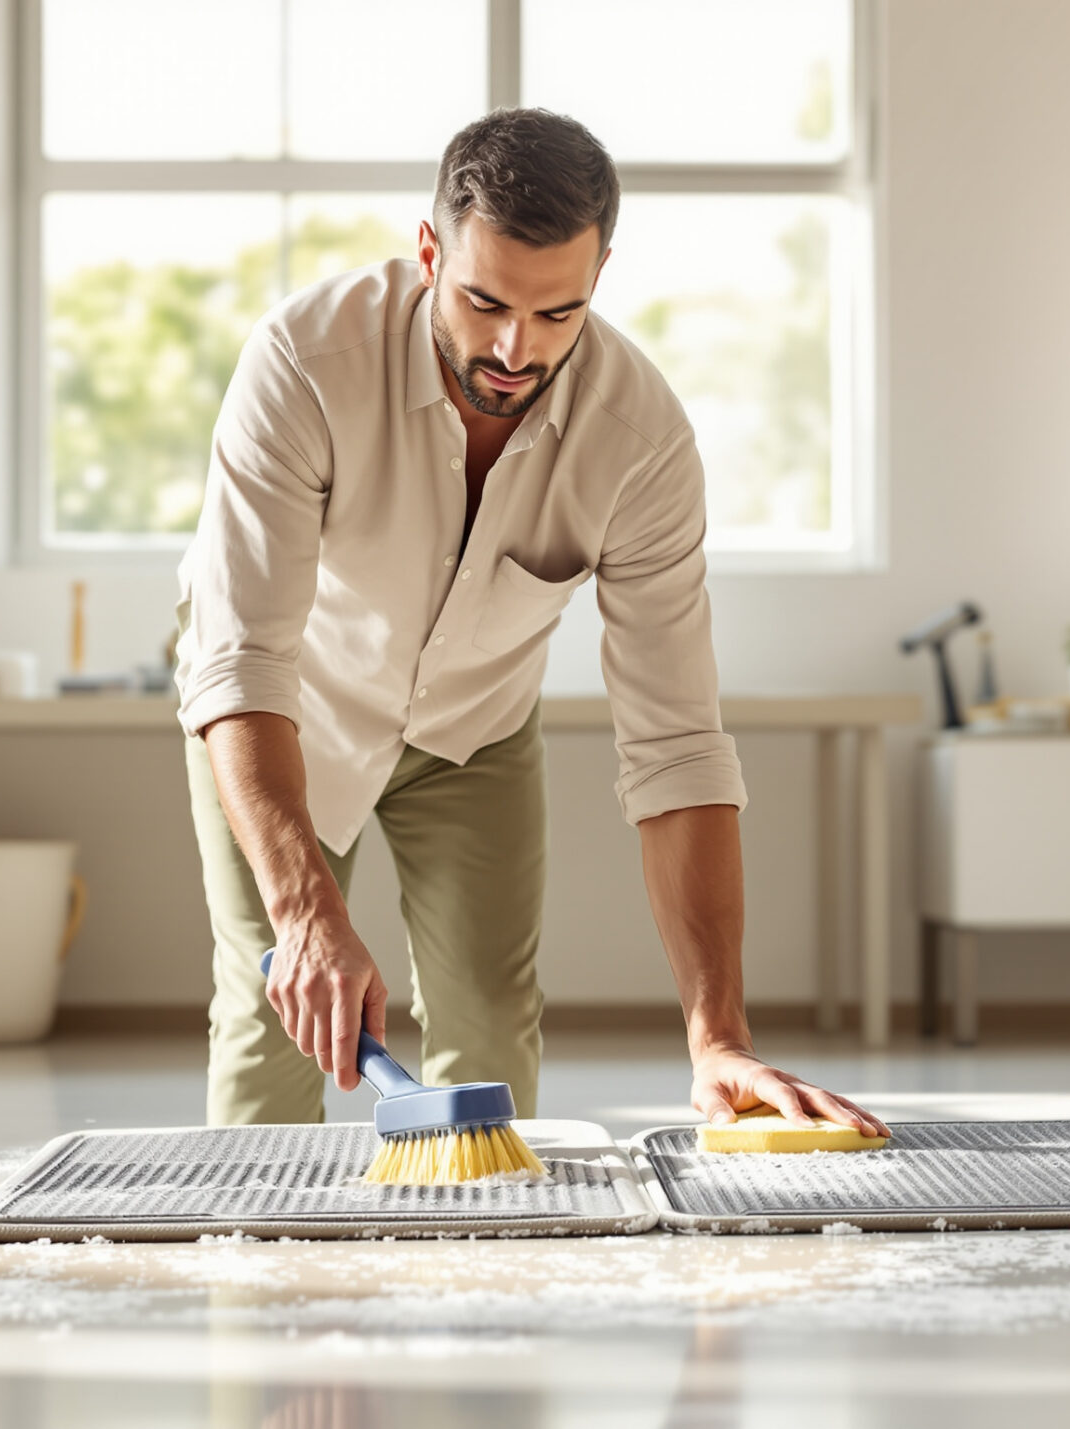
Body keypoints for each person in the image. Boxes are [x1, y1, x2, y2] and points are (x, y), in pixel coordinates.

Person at [173, 107, 883, 1139]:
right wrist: (306, 912)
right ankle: (258, 1274)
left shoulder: (637, 439)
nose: (515, 349)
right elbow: (239, 659)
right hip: (285, 717)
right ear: (429, 253)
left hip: (473, 732)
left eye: (559, 314)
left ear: (598, 277)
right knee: (279, 1009)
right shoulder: (303, 362)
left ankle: (479, 1272)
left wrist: (716, 1033)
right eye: (483, 301)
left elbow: (678, 747)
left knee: (495, 1030)